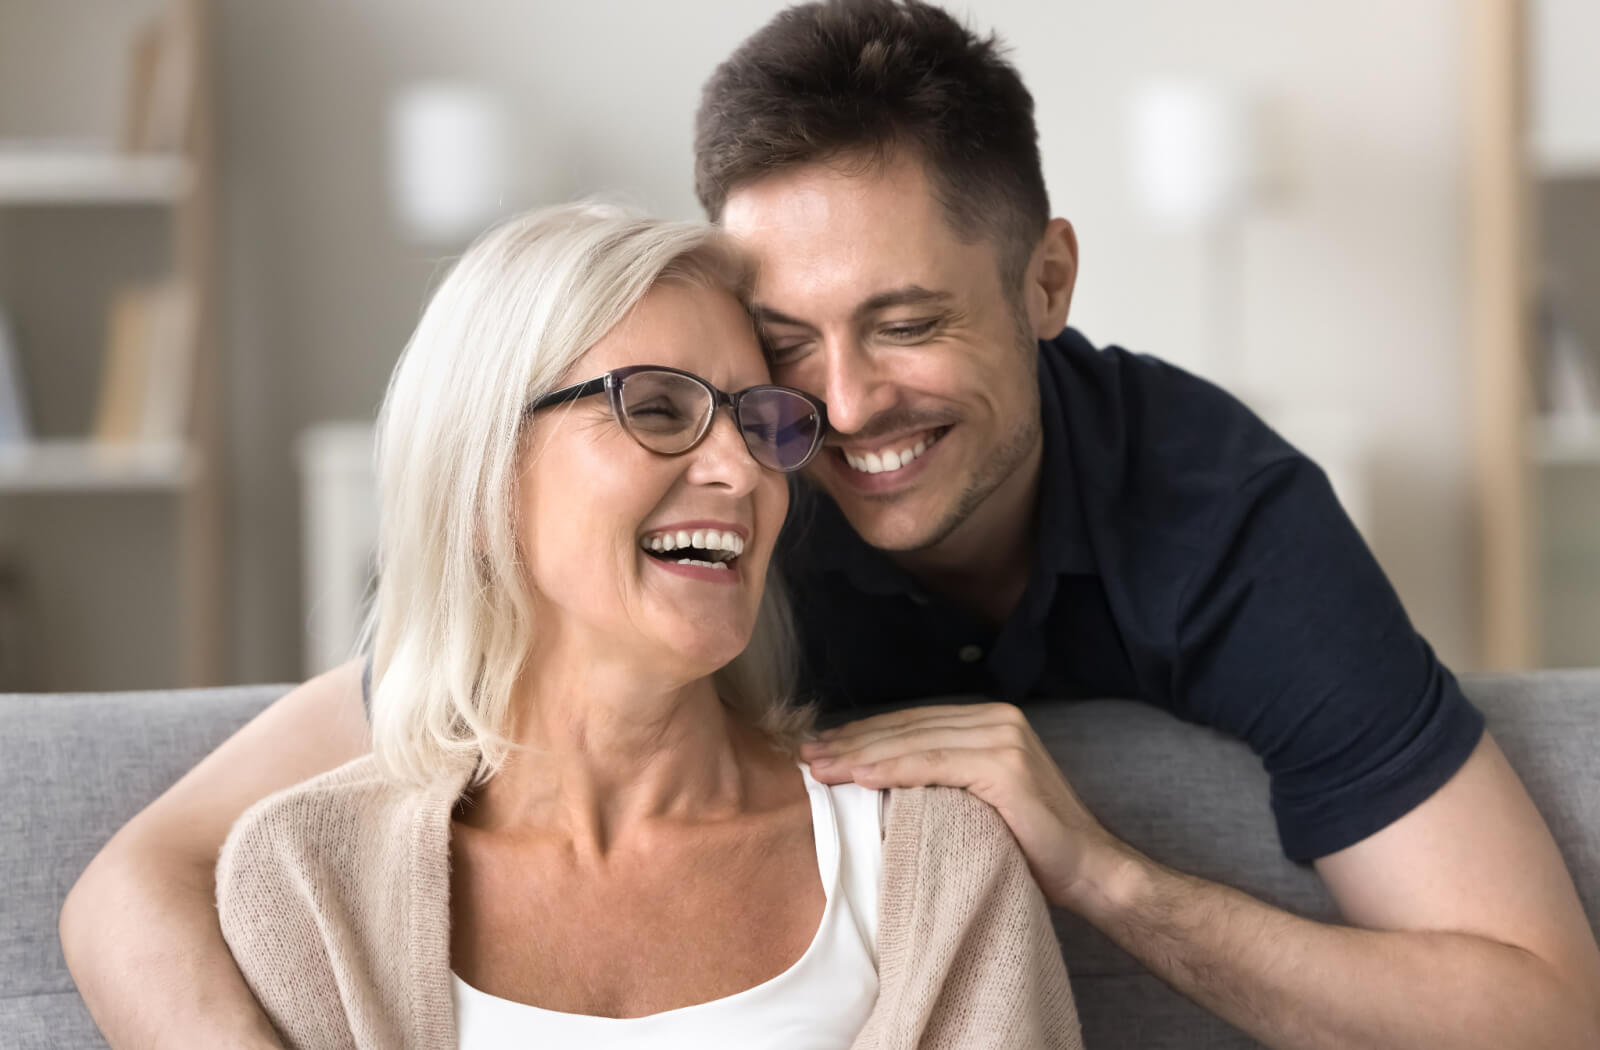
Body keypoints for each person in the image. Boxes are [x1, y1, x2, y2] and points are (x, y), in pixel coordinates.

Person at [61, 2, 1600, 1047]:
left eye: (909, 319)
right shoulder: (726, 480)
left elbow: (1541, 1007)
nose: (838, 410)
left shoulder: (1224, 515)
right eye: (783, 341)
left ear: (1049, 281)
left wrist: (1109, 874)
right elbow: (139, 884)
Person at [210, 203, 1081, 1048]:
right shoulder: (309, 881)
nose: (742, 471)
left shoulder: (926, 862)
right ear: (483, 468)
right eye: (659, 408)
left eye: (760, 420)